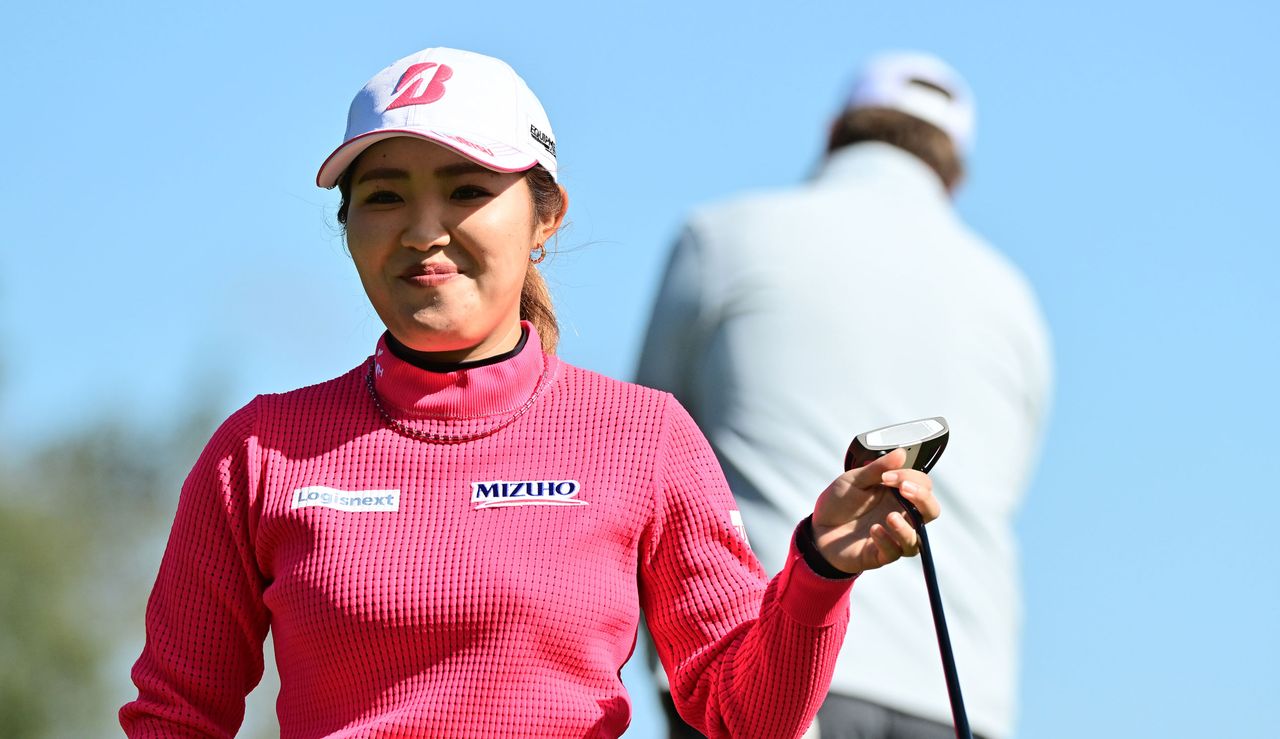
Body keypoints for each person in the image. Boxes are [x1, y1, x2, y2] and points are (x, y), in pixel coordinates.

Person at [118, 47, 943, 739]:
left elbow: (739, 714)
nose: (422, 228)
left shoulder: (641, 436)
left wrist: (818, 568)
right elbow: (174, 718)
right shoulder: (259, 450)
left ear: (546, 216)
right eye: (383, 195)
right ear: (349, 229)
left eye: (468, 189)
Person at [637, 52, 1052, 739]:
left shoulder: (722, 236)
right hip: (957, 686)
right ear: (955, 174)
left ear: (834, 132)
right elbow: (1007, 481)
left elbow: (648, 453)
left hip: (765, 672)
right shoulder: (1014, 299)